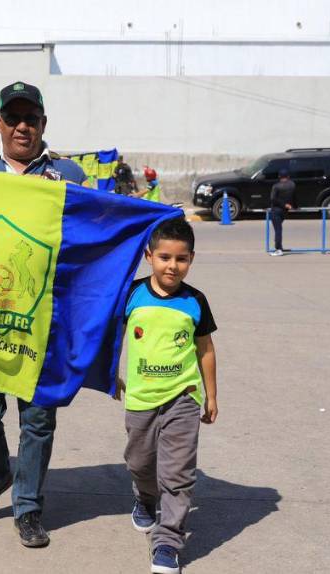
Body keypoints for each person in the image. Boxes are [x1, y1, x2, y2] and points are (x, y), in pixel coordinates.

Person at [0, 81, 86, 548]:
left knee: (37, 420)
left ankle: (29, 508)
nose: (21, 126)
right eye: (12, 118)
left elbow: (96, 232)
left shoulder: (68, 173)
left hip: (44, 321)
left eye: (30, 118)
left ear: (43, 124)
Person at [118, 218, 218, 574]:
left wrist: (210, 395)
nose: (172, 266)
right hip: (141, 399)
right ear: (149, 257)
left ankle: (167, 542)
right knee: (140, 463)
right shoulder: (132, 294)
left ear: (191, 259)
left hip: (183, 397)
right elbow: (112, 336)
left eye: (181, 259)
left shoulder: (196, 301)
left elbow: (205, 349)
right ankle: (145, 500)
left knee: (177, 474)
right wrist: (109, 375)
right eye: (164, 257)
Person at [268, 169, 295, 256]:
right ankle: (280, 247)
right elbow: (294, 197)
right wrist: (293, 206)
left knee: (278, 230)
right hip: (284, 212)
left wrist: (284, 205)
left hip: (276, 210)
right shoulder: (292, 185)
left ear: (279, 177)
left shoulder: (276, 186)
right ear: (288, 176)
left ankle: (278, 249)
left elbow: (273, 199)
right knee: (279, 229)